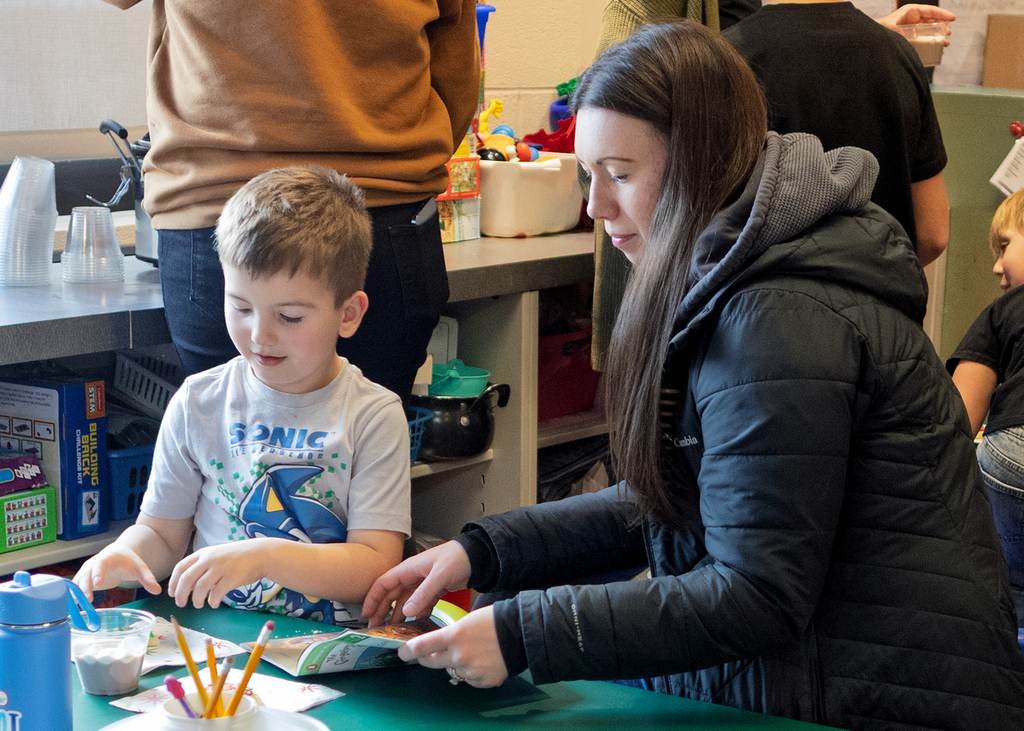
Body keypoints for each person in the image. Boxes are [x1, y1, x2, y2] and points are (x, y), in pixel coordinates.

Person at [362, 21, 1024, 729]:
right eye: (591, 175)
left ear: (700, 162)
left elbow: (756, 592)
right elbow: (680, 498)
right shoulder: (750, 275)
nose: (595, 207)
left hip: (873, 700)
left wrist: (523, 633)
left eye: (619, 174)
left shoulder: (776, 316)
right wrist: (485, 549)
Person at [75, 166, 412, 625]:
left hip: (331, 649)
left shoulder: (373, 415)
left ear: (348, 313)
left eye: (290, 316)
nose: (259, 335)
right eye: (240, 307)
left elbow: (376, 565)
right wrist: (122, 556)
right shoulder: (198, 402)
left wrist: (263, 557)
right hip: (217, 643)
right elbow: (162, 536)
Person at [101, 0, 480, 405]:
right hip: (386, 201)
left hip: (217, 202)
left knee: (232, 457)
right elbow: (455, 65)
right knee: (371, 449)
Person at [588, 2, 955, 370]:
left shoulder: (722, 64)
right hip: (890, 339)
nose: (596, 205)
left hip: (757, 346)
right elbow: (933, 233)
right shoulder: (897, 54)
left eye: (619, 174)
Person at [722, 0, 951, 268]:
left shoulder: (723, 58)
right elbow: (933, 235)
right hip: (877, 299)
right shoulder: (899, 56)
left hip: (751, 304)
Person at [946, 188, 1024, 626]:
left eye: (1005, 246)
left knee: (1008, 579)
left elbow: (956, 425)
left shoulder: (1003, 311)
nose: (996, 266)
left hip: (1015, 460)